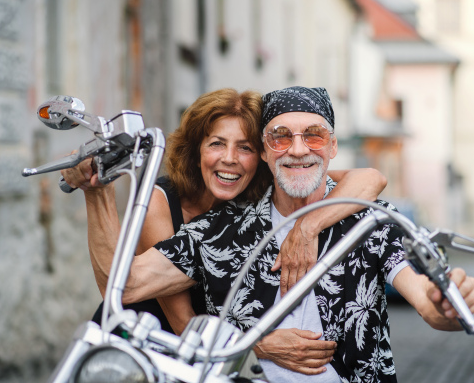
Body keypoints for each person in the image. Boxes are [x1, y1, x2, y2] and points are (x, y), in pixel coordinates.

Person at [84, 86, 474, 382]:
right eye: (281, 137)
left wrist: (449, 304)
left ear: (332, 147)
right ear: (264, 152)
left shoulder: (367, 220)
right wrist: (96, 192)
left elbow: (424, 298)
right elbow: (126, 284)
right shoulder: (222, 231)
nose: (298, 149)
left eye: (313, 135)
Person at [62, 88, 387, 354]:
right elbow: (181, 321)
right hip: (145, 347)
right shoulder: (160, 204)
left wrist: (307, 226)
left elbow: (368, 178)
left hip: (212, 353)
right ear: (197, 149)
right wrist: (259, 345)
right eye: (217, 143)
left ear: (260, 154)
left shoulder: (255, 197)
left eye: (244, 147)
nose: (229, 159)